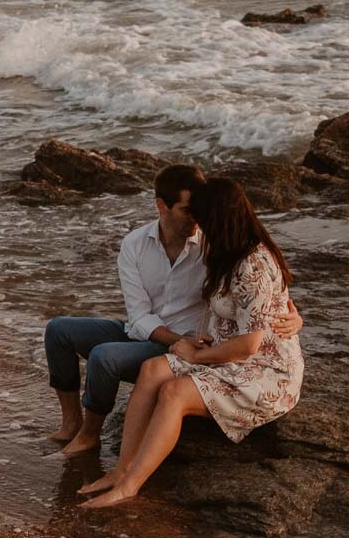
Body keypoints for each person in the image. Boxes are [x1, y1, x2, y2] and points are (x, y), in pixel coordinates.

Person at [78, 176, 304, 508]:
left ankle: (130, 487)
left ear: (219, 219)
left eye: (203, 219)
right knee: (152, 369)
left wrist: (196, 357)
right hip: (225, 353)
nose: (197, 226)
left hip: (264, 369)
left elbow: (249, 346)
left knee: (174, 392)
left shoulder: (254, 262)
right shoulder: (224, 247)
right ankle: (122, 470)